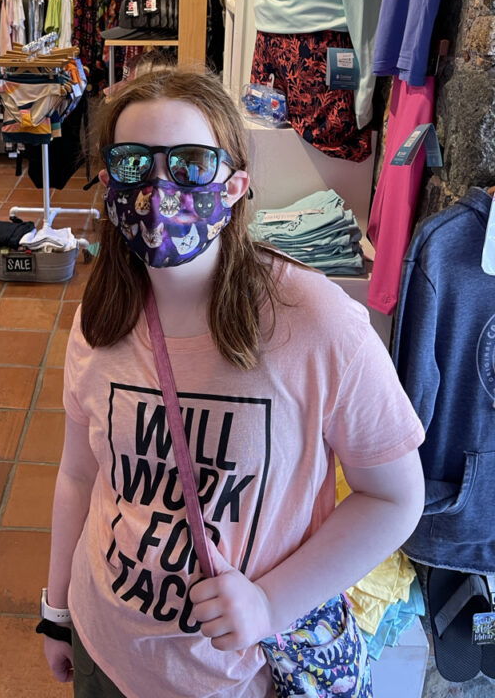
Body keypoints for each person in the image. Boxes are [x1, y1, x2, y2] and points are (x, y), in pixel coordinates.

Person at [41, 68, 425, 698]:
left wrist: (270, 605)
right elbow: (78, 475)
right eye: (135, 163)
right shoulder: (102, 314)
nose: (161, 186)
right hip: (104, 646)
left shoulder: (318, 324)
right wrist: (56, 609)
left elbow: (394, 497)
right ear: (110, 185)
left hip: (233, 674)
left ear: (236, 185)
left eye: (192, 163)